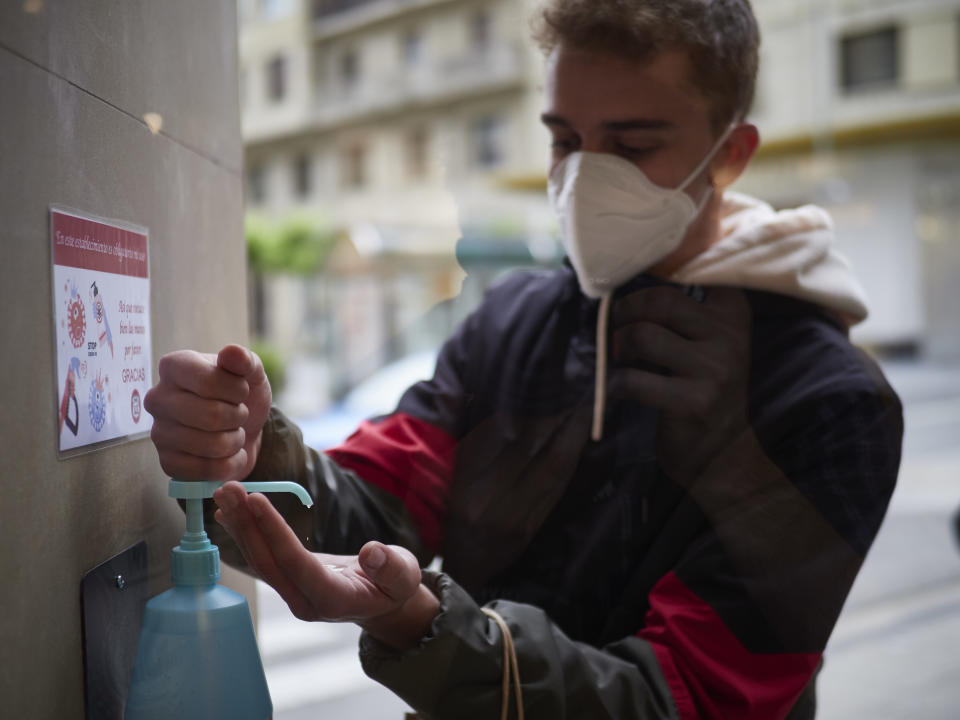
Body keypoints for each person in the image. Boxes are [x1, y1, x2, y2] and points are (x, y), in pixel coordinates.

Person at [144, 1, 904, 717]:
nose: (584, 179)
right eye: (565, 141)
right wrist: (249, 446)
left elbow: (689, 699)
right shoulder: (515, 322)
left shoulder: (829, 405)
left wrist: (426, 626)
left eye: (633, 146)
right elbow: (373, 500)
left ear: (730, 154)